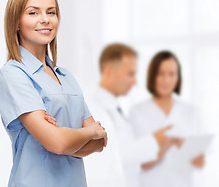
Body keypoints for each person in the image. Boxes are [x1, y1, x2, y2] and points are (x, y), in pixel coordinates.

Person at [0, 0, 107, 187]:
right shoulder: (13, 74)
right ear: (16, 23)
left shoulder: (66, 77)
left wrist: (63, 136)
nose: (45, 19)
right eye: (33, 12)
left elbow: (99, 144)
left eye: (51, 12)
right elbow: (58, 142)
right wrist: (90, 132)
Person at [84, 43, 172, 187]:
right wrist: (154, 141)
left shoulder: (116, 109)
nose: (135, 82)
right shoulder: (92, 109)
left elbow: (126, 155)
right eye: (130, 74)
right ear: (108, 72)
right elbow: (110, 156)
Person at [129, 50, 204, 187]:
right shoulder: (137, 112)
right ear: (153, 76)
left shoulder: (191, 112)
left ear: (178, 77)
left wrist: (195, 156)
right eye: (161, 74)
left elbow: (199, 162)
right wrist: (171, 140)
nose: (166, 80)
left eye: (171, 74)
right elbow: (143, 163)